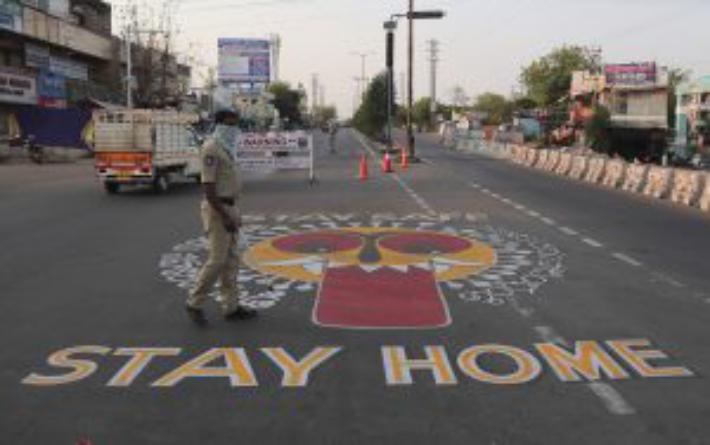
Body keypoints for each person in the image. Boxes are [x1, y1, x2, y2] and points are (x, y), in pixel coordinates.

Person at [185, 108, 257, 326]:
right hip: (218, 209)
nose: (234, 128)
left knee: (232, 260)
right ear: (219, 124)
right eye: (230, 124)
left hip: (230, 206)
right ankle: (194, 303)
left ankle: (231, 307)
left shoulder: (227, 148)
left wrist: (234, 213)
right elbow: (208, 187)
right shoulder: (211, 148)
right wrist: (225, 215)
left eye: (236, 124)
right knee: (217, 260)